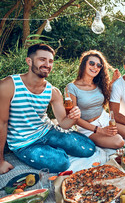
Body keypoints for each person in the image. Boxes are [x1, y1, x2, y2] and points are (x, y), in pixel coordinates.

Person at [0, 44, 95, 174]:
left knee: (89, 149)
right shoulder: (8, 85)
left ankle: (53, 146)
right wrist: (0, 161)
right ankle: (53, 149)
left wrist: (73, 117)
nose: (47, 64)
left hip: (48, 131)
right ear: (29, 61)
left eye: (50, 61)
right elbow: (2, 123)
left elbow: (63, 123)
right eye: (42, 59)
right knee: (62, 163)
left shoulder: (53, 91)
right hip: (25, 143)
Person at [67, 50, 125, 149]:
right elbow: (74, 118)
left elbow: (106, 94)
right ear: (84, 65)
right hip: (88, 128)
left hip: (105, 119)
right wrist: (100, 130)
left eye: (99, 65)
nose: (95, 67)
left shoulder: (98, 83)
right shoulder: (71, 87)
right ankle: (95, 139)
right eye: (92, 63)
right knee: (119, 142)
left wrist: (113, 81)